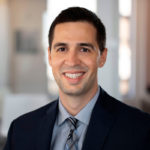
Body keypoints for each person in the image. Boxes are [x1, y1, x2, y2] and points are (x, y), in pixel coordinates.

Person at [3, 7, 150, 150]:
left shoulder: (141, 130)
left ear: (102, 57)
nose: (72, 61)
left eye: (84, 49)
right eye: (62, 49)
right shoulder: (20, 130)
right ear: (50, 56)